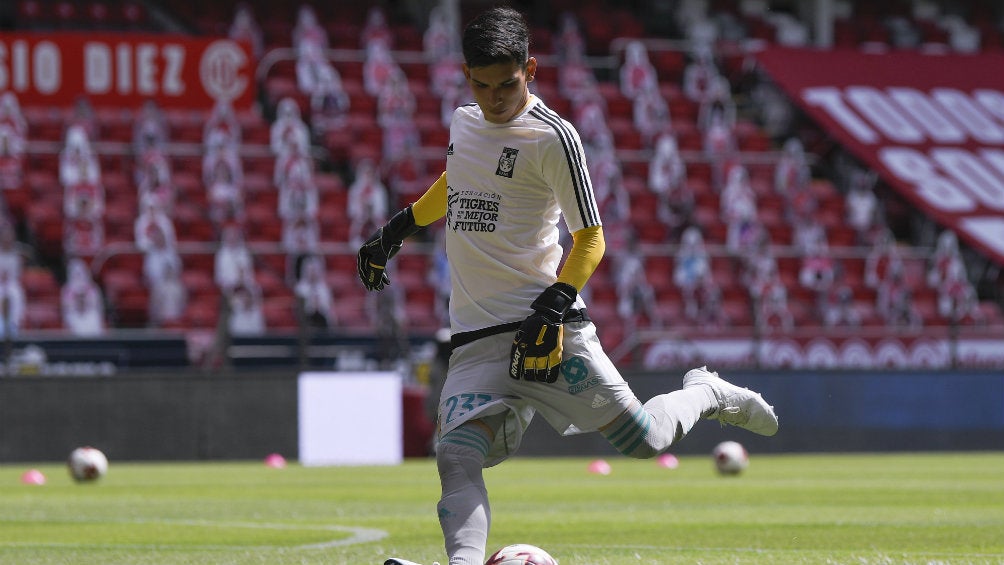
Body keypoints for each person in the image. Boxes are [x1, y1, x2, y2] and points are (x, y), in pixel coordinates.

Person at [358, 9, 779, 565]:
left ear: (529, 69)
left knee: (643, 441)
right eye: (480, 85)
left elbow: (591, 238)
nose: (494, 98)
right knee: (456, 456)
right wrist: (398, 228)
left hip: (545, 329)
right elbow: (456, 180)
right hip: (475, 337)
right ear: (466, 76)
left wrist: (554, 306)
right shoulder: (464, 122)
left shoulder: (554, 137)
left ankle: (706, 391)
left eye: (506, 84)